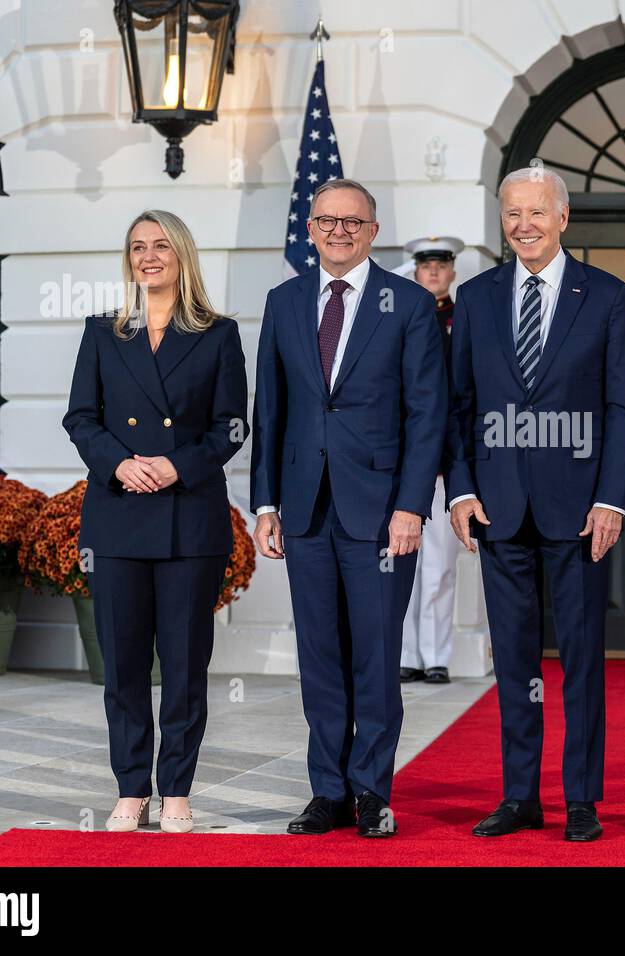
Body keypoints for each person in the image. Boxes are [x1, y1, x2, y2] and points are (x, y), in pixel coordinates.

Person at [446, 166, 625, 843]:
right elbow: (459, 407)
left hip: (582, 509)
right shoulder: (474, 299)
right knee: (514, 661)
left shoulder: (608, 297)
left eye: (536, 212)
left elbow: (624, 408)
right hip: (499, 508)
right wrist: (462, 489)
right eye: (512, 213)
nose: (524, 224)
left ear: (564, 218)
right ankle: (520, 794)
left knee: (583, 659)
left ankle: (582, 799)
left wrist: (614, 498)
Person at [249, 179, 447, 838]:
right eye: (327, 220)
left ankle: (371, 791)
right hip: (304, 509)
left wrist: (411, 507)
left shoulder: (410, 305)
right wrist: (267, 501)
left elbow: (428, 416)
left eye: (352, 221)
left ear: (373, 229)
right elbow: (270, 408)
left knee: (374, 655)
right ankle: (326, 791)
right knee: (321, 657)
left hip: (382, 513)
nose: (339, 231)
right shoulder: (284, 302)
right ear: (310, 228)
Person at [63, 209, 248, 834]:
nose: (148, 256)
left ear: (182, 256)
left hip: (188, 520)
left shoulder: (218, 334)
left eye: (160, 246)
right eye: (138, 247)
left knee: (186, 663)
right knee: (123, 666)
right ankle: (129, 788)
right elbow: (80, 418)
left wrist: (176, 466)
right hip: (118, 517)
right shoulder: (103, 332)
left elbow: (232, 427)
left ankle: (177, 792)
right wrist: (119, 464)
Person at [397, 236, 465, 685]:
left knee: (440, 566)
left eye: (441, 266)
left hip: (443, 462)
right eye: (427, 266)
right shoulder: (400, 314)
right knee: (399, 563)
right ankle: (404, 656)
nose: (434, 273)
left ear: (451, 272)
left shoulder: (465, 319)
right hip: (401, 463)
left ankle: (435, 655)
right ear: (417, 271)